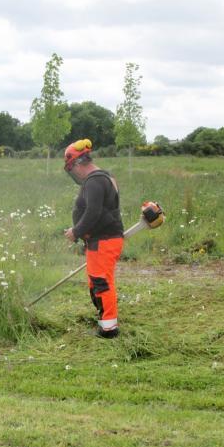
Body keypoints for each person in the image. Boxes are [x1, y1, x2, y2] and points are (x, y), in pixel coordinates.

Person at [63, 138, 124, 338]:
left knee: (101, 282)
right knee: (96, 281)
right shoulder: (103, 177)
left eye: (71, 167)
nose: (73, 172)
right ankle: (104, 319)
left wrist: (76, 232)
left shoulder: (95, 180)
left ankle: (109, 329)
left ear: (79, 163)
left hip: (104, 240)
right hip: (99, 240)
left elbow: (93, 212)